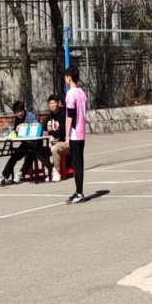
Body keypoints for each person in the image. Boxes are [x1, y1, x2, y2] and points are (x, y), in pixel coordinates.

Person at [64, 68, 89, 205]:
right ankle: (78, 190)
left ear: (69, 77)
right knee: (79, 163)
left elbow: (70, 115)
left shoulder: (71, 93)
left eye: (65, 77)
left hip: (74, 133)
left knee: (76, 164)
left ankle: (79, 193)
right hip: (81, 132)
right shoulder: (82, 93)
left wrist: (67, 134)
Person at [0, 100, 38, 186]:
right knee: (14, 156)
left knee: (31, 154)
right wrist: (14, 132)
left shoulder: (30, 116)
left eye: (21, 111)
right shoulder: (16, 119)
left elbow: (35, 126)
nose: (20, 114)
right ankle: (4, 176)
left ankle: (21, 174)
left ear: (24, 110)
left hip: (35, 143)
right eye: (17, 112)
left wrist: (24, 126)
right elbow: (15, 132)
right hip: (25, 143)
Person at [43, 94, 69, 180]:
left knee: (54, 149)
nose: (52, 105)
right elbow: (43, 127)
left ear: (58, 103)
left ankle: (57, 173)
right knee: (40, 151)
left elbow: (62, 130)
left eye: (54, 103)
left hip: (64, 142)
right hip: (52, 142)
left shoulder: (63, 114)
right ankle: (52, 170)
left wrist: (49, 132)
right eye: (50, 103)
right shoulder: (49, 116)